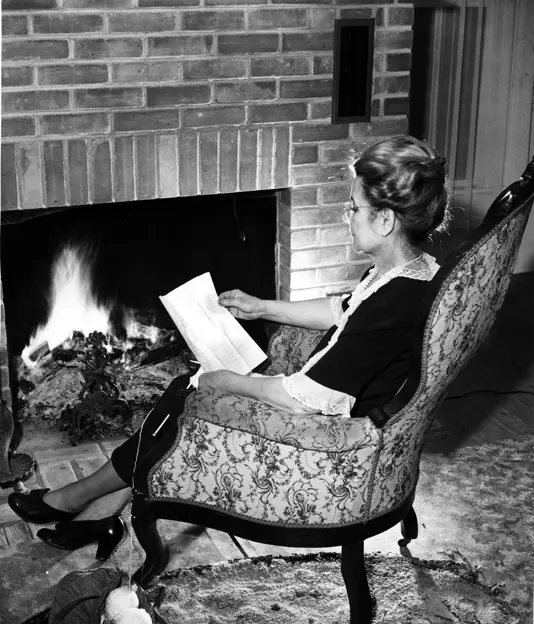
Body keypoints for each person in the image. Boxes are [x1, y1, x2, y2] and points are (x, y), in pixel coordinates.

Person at [8, 134, 449, 560]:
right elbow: (341, 310)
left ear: (385, 220)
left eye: (354, 208)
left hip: (331, 440)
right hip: (339, 409)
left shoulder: (390, 304)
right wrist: (262, 307)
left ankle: (76, 499)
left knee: (186, 393)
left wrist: (224, 380)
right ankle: (97, 512)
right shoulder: (412, 274)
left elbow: (302, 400)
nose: (347, 216)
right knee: (181, 396)